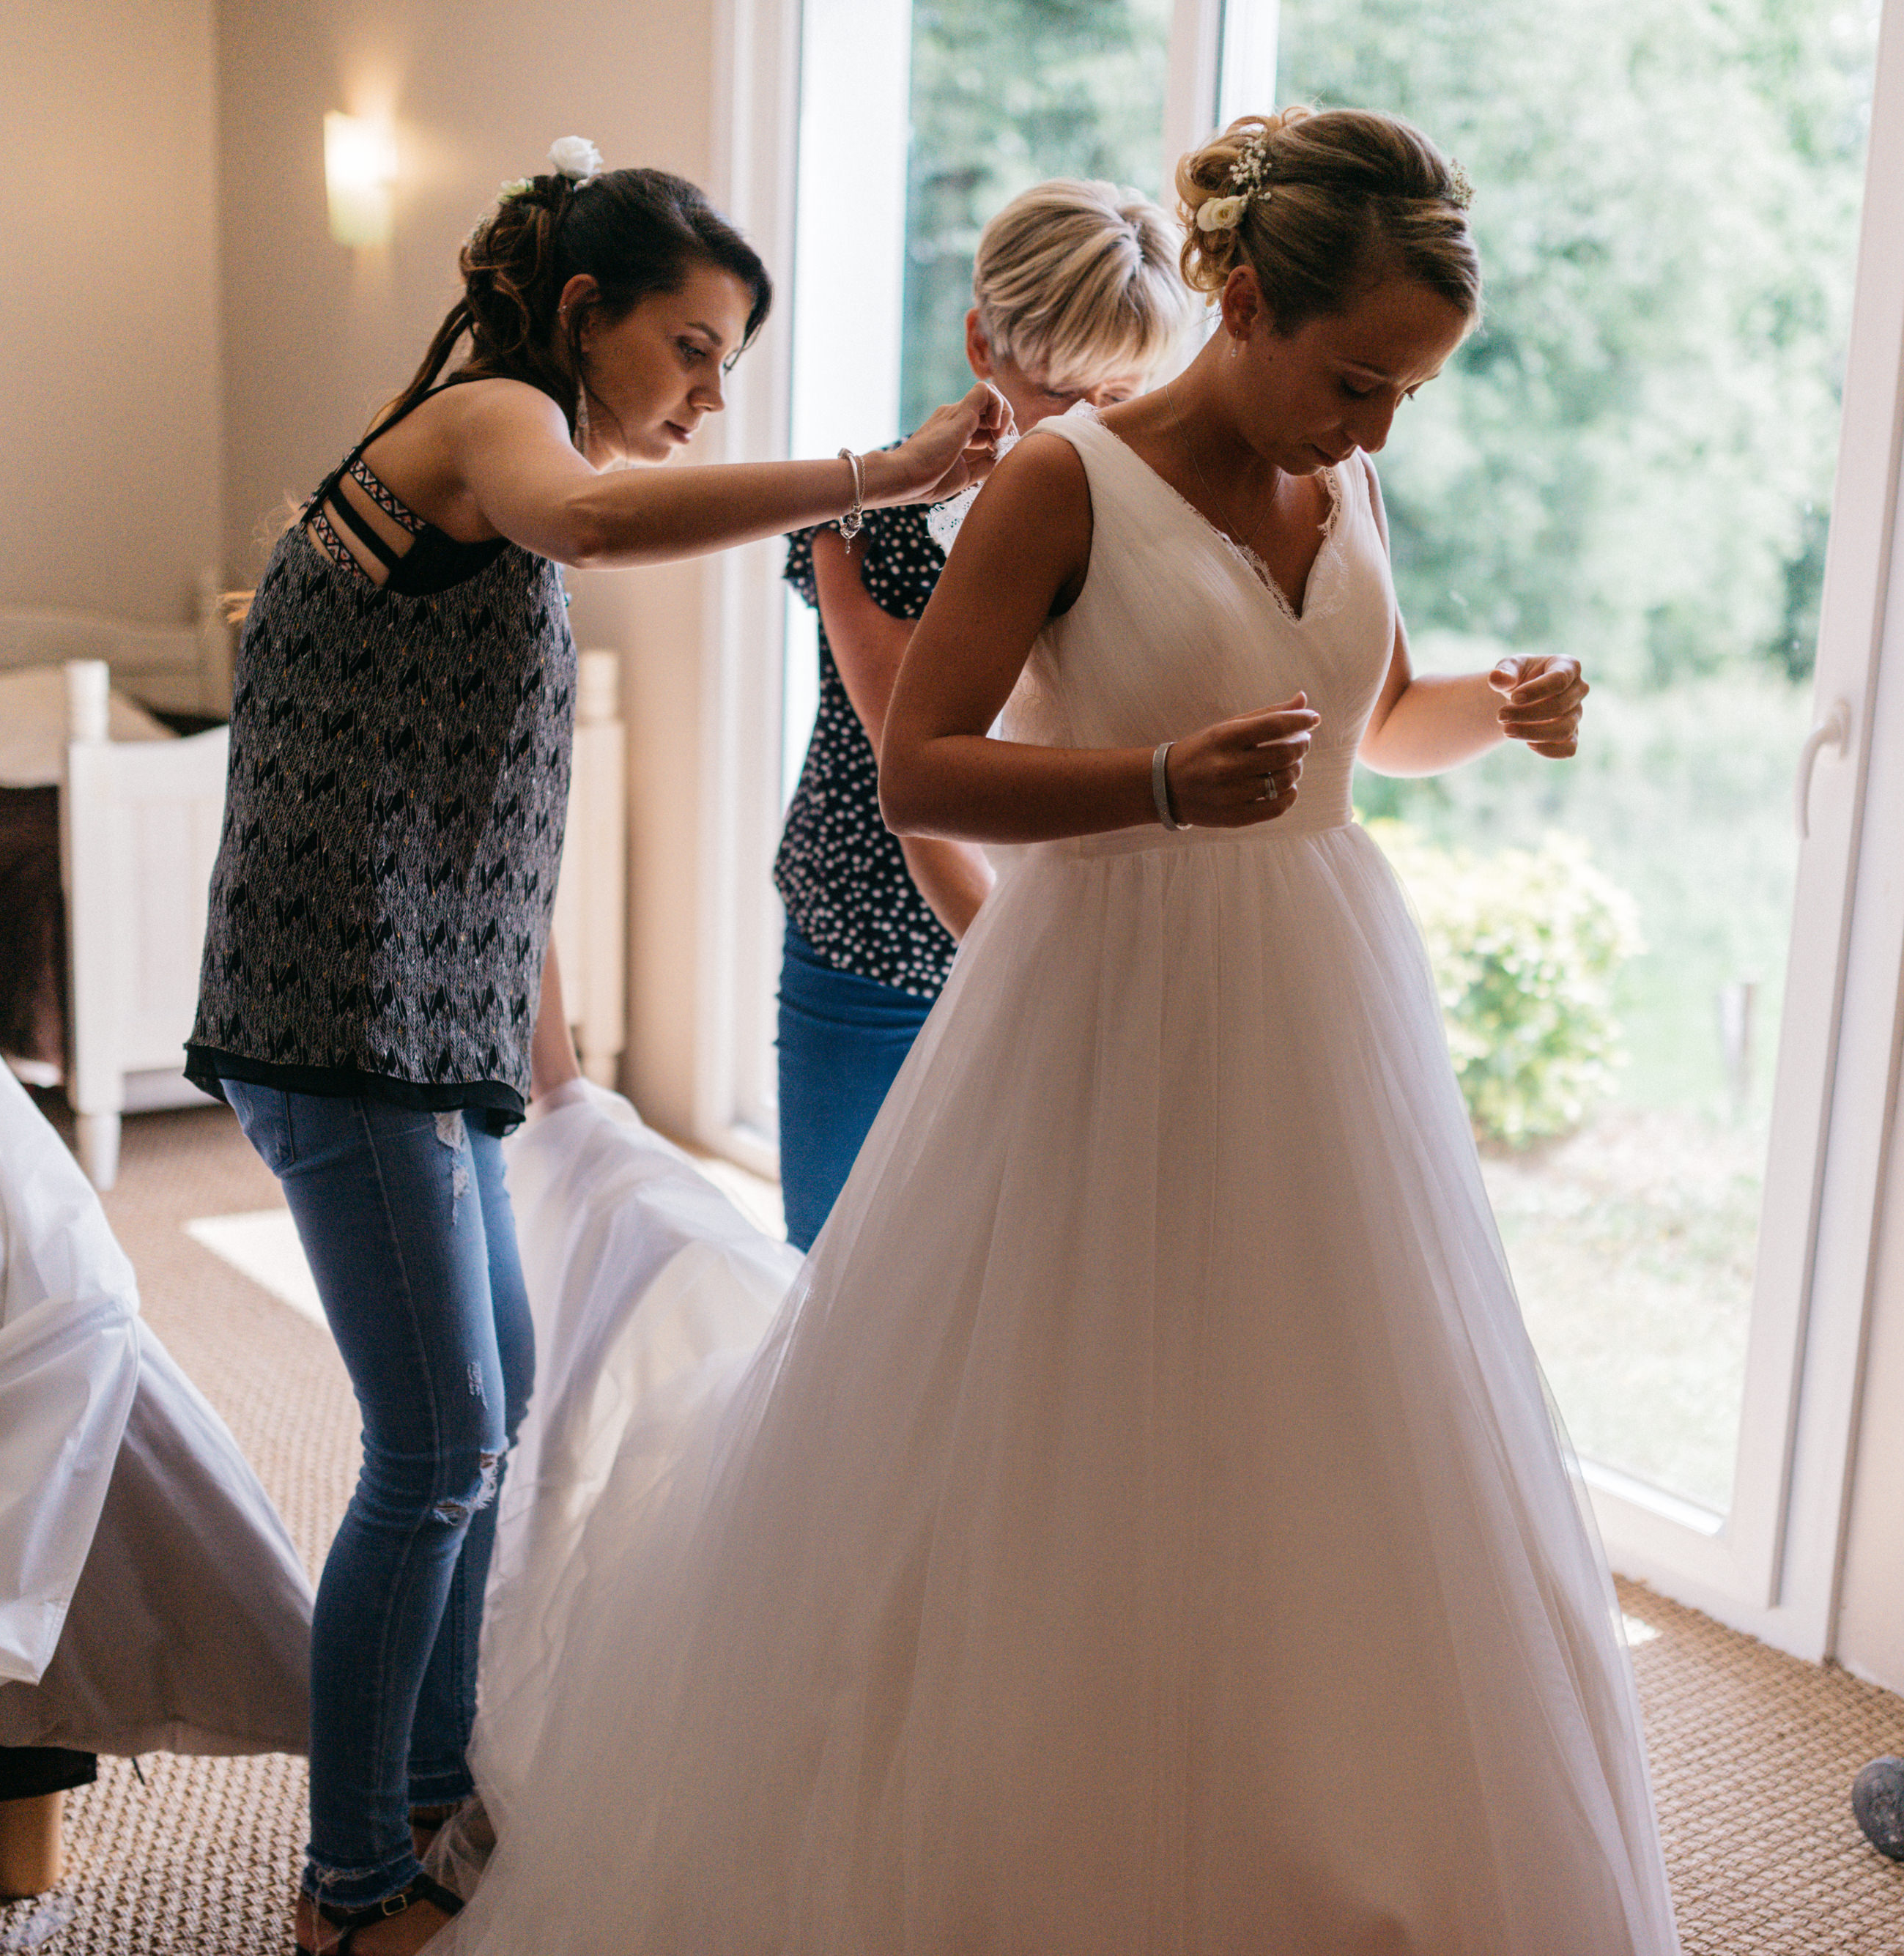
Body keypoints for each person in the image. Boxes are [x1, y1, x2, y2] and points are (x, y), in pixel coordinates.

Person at [438, 108, 1679, 1954]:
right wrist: (1157, 784)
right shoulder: (1061, 483)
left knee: (1317, 1414)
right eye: (1356, 379)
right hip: (1107, 989)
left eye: (1409, 393)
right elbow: (920, 767)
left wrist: (1493, 705)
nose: (1376, 429)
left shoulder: (1346, 481)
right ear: (1241, 305)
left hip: (1318, 1001)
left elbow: (1370, 723)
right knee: (1067, 1411)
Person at [182, 144, 1004, 1956]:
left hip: (417, 1032)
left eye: (731, 366)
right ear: (578, 312)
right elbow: (601, 524)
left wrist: (537, 1062)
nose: (709, 397)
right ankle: (347, 1888)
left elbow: (481, 811)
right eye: (691, 349)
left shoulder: (497, 460)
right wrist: (880, 476)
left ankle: (426, 1794)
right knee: (434, 1447)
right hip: (342, 1024)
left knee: (487, 1416)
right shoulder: (494, 422)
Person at [773, 179, 1196, 1248]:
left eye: (1122, 393)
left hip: (1060, 937)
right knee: (839, 1255)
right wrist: (1031, 976)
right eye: (1058, 393)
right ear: (980, 346)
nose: (1088, 426)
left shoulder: (1154, 515)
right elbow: (923, 790)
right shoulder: (873, 515)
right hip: (875, 937)